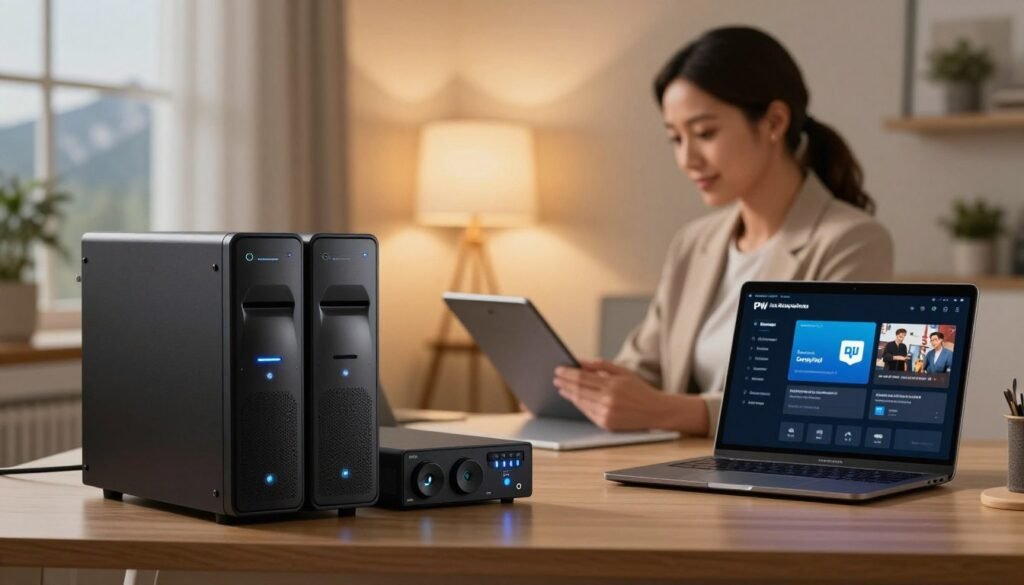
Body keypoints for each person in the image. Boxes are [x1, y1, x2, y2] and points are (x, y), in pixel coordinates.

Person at [552, 26, 893, 436]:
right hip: (673, 471)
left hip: (778, 481)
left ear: (774, 121)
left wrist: (667, 412)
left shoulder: (850, 241)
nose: (687, 158)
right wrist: (575, 391)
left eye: (704, 133)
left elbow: (823, 398)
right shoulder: (694, 243)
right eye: (675, 139)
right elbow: (645, 368)